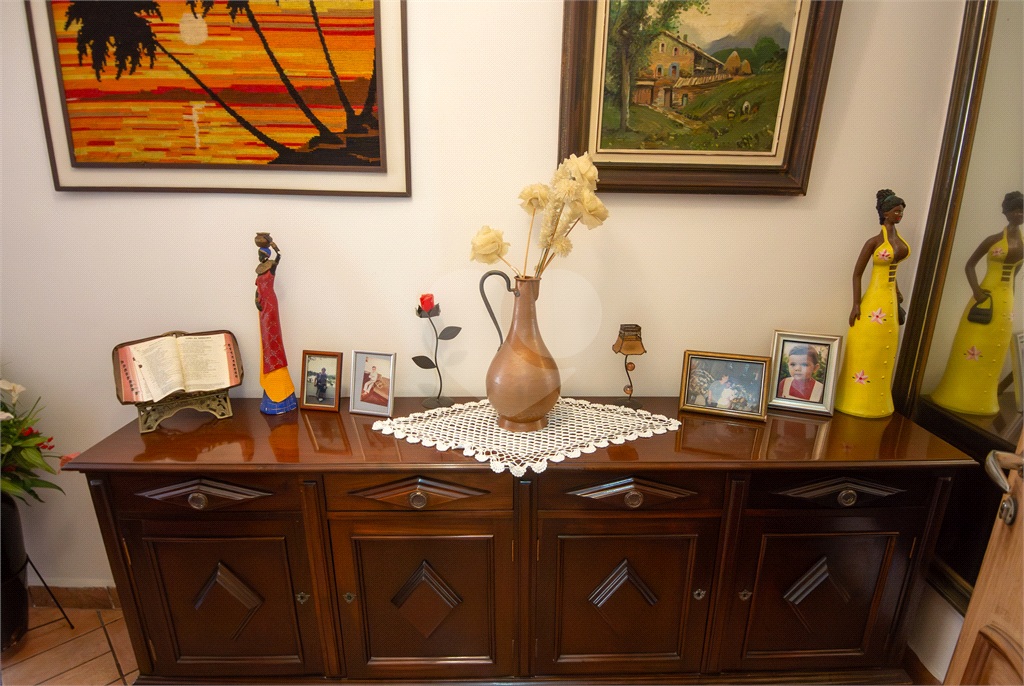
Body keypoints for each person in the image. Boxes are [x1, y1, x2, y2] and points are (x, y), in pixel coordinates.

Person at [929, 191, 1023, 414]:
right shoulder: (993, 240)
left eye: (1022, 211)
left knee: (995, 350)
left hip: (1005, 304)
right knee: (971, 345)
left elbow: (1016, 272)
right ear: (1006, 212)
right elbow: (970, 265)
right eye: (1015, 210)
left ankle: (984, 397)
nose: (1019, 214)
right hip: (985, 298)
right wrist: (977, 291)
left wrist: (1011, 297)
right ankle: (956, 393)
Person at [834, 189, 910, 418]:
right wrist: (856, 304)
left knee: (885, 351)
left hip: (889, 303)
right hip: (873, 303)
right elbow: (857, 274)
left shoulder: (899, 240)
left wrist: (897, 292)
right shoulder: (874, 242)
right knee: (867, 351)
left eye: (901, 211)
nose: (899, 214)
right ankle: (854, 398)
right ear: (885, 213)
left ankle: (879, 399)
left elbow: (892, 271)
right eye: (896, 211)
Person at [255, 233, 297, 414]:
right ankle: (270, 381)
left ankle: (277, 377)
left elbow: (279, 255)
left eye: (262, 253)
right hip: (262, 304)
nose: (260, 256)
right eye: (259, 254)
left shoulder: (272, 265)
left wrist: (272, 243)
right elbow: (258, 286)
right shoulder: (259, 268)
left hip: (270, 304)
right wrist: (256, 298)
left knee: (272, 338)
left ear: (266, 254)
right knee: (264, 339)